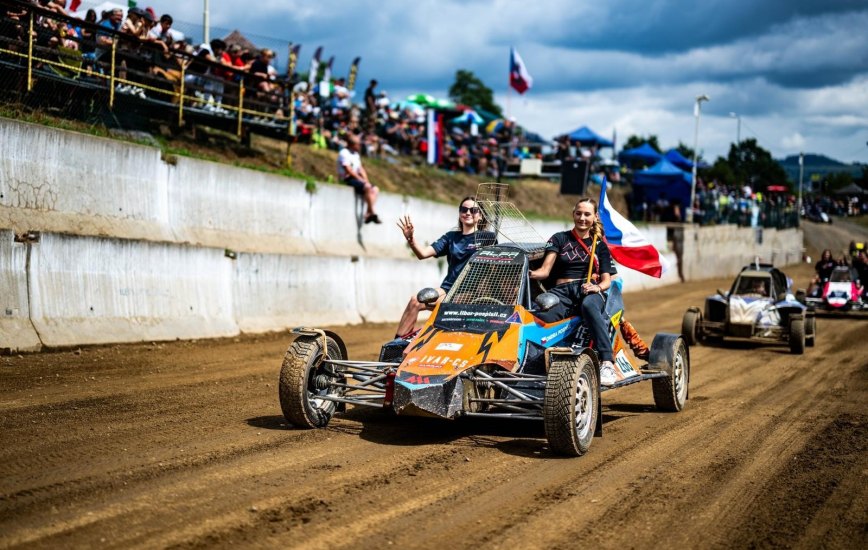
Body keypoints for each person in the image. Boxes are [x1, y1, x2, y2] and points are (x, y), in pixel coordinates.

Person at [529, 197, 618, 386]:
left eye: (587, 214)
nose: (582, 218)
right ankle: (535, 364)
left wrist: (596, 288)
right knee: (540, 319)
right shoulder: (559, 238)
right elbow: (545, 271)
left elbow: (606, 281)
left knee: (589, 306)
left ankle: (607, 362)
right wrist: (527, 274)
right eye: (579, 213)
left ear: (594, 217)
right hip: (560, 293)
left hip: (589, 291)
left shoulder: (600, 245)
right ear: (573, 214)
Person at [394, 197, 484, 339]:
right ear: (459, 213)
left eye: (473, 210)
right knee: (415, 301)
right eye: (463, 209)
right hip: (447, 290)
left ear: (480, 216)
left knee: (448, 304)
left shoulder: (487, 238)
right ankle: (397, 347)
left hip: (472, 293)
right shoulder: (451, 237)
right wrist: (411, 240)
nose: (467, 213)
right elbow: (423, 254)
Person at [337, 134, 381, 224]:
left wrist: (366, 180)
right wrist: (361, 180)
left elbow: (360, 169)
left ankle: (369, 213)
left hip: (356, 178)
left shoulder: (356, 155)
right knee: (368, 187)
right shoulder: (344, 153)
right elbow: (348, 169)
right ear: (352, 145)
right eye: (358, 144)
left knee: (375, 189)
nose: (360, 146)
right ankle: (372, 212)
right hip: (347, 178)